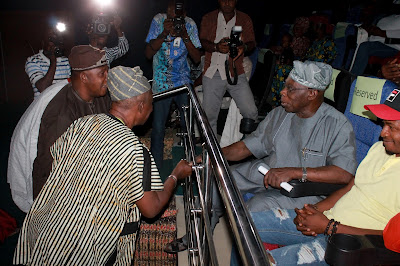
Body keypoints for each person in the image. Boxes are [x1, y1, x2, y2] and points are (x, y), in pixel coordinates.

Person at [166, 60, 358, 253]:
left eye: (290, 89)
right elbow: (247, 147)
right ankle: (196, 235)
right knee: (217, 180)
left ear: (311, 93)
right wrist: (212, 156)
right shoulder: (281, 114)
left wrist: (294, 172)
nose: (282, 92)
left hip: (304, 190)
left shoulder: (337, 125)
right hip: (268, 170)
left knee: (251, 212)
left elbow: (344, 174)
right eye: (285, 86)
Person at [13, 66, 193, 265]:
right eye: (151, 103)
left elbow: (59, 160)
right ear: (141, 106)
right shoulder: (133, 150)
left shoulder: (82, 124)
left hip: (46, 229)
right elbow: (151, 208)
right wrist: (176, 175)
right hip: (79, 249)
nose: (152, 109)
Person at [233, 88, 400, 265]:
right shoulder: (379, 150)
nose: (383, 133)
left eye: (392, 127)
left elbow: (391, 242)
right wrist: (315, 210)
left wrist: (330, 227)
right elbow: (351, 187)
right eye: (384, 125)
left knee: (263, 261)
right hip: (328, 220)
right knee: (243, 226)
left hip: (353, 247)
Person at [8, 45, 112, 213]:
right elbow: (49, 170)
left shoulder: (100, 98)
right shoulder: (61, 115)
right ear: (84, 77)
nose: (108, 78)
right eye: (102, 74)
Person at [145, 0, 201, 170]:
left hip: (183, 82)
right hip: (161, 82)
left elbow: (197, 58)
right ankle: (156, 170)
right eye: (171, 7)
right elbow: (148, 53)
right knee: (158, 128)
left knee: (187, 127)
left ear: (183, 10)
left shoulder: (190, 24)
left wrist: (185, 35)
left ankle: (189, 165)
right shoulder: (158, 20)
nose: (174, 12)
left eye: (178, 8)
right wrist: (163, 33)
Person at [200, 0, 258, 135]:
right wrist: (216, 47)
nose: (227, 3)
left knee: (251, 111)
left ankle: (248, 147)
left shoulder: (244, 18)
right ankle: (211, 154)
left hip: (236, 72)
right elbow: (202, 41)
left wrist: (243, 47)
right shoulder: (208, 18)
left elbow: (252, 42)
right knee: (208, 118)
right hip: (213, 71)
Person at [25, 26, 70, 99]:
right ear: (43, 43)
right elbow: (43, 87)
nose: (53, 43)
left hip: (62, 107)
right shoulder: (33, 61)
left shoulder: (65, 61)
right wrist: (53, 60)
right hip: (44, 107)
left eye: (56, 39)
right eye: (51, 39)